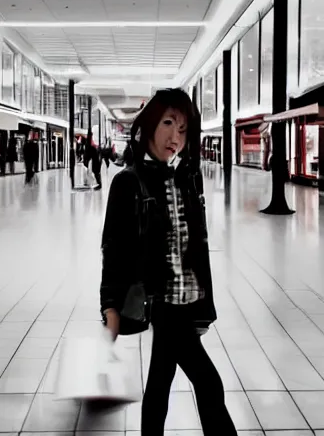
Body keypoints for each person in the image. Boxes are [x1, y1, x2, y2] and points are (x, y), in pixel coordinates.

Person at [100, 89, 237, 436]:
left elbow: (197, 248)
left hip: (187, 302)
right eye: (168, 124)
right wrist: (110, 306)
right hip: (161, 303)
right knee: (209, 383)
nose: (175, 137)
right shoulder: (127, 182)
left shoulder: (188, 178)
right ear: (148, 124)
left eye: (183, 128)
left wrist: (203, 307)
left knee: (160, 385)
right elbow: (112, 249)